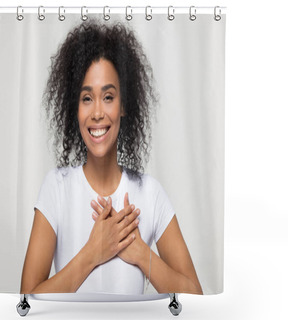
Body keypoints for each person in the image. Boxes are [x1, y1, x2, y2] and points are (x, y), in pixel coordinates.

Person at [20, 21, 202, 295]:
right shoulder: (56, 188)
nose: (96, 113)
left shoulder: (149, 193)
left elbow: (195, 297)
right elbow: (27, 298)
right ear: (75, 108)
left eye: (108, 97)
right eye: (86, 98)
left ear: (124, 105)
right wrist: (94, 251)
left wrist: (141, 253)